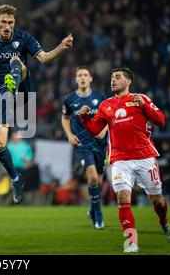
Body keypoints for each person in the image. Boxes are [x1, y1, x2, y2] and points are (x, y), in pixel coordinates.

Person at [0, 4, 73, 204]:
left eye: (10, 22)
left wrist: (61, 47)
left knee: (17, 62)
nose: (6, 26)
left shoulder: (23, 38)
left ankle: (12, 81)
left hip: (23, 89)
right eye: (3, 22)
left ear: (14, 23)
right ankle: (15, 178)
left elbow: (45, 58)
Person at [79, 67, 170, 253]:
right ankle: (131, 241)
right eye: (112, 78)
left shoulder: (140, 98)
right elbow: (94, 129)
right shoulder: (106, 105)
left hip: (145, 157)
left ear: (128, 81)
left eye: (117, 77)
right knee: (123, 198)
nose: (113, 80)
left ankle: (163, 221)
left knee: (157, 200)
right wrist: (84, 118)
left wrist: (145, 106)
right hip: (120, 159)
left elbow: (161, 121)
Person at [61, 66, 108, 229]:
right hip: (82, 144)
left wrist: (103, 130)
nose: (82, 77)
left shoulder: (100, 97)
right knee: (93, 178)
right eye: (79, 75)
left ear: (90, 78)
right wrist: (69, 135)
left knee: (99, 182)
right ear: (75, 79)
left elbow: (109, 118)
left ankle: (92, 209)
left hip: (100, 144)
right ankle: (99, 217)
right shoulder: (69, 99)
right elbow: (65, 118)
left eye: (85, 75)